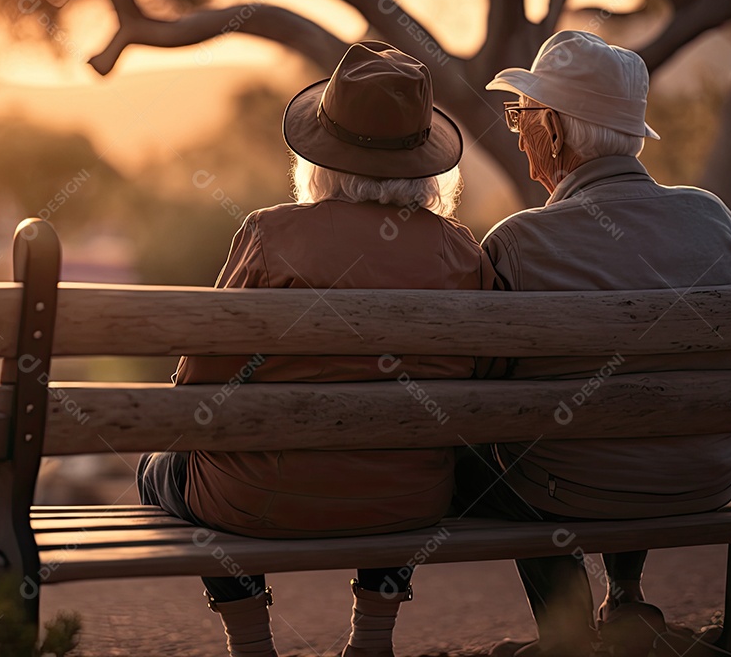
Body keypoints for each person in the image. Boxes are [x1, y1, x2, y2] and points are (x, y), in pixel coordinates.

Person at [139, 41, 495, 657]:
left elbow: (197, 384)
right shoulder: (462, 253)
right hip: (408, 501)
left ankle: (251, 642)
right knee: (403, 452)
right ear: (424, 163)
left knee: (158, 469)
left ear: (321, 159)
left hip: (256, 503)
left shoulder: (272, 235)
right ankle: (372, 637)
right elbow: (482, 383)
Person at [456, 30, 731, 657]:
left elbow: (482, 388)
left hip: (569, 484)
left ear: (558, 132)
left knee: (499, 442)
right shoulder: (714, 217)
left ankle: (566, 636)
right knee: (632, 405)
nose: (515, 133)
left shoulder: (519, 242)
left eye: (524, 116)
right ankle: (626, 598)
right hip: (708, 475)